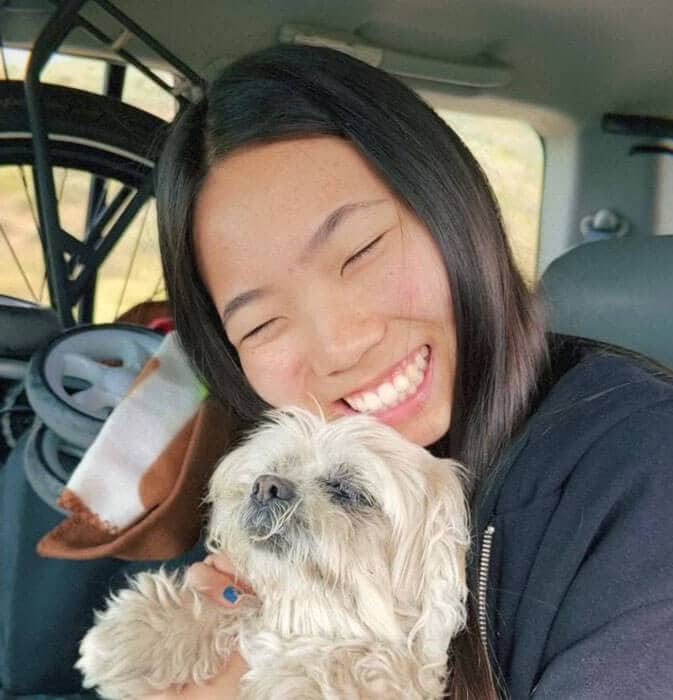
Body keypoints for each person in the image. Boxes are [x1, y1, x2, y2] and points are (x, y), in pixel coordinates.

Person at [148, 44, 673, 698]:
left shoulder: (643, 475)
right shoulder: (278, 489)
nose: (339, 346)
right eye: (259, 325)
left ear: (451, 206)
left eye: (361, 250)